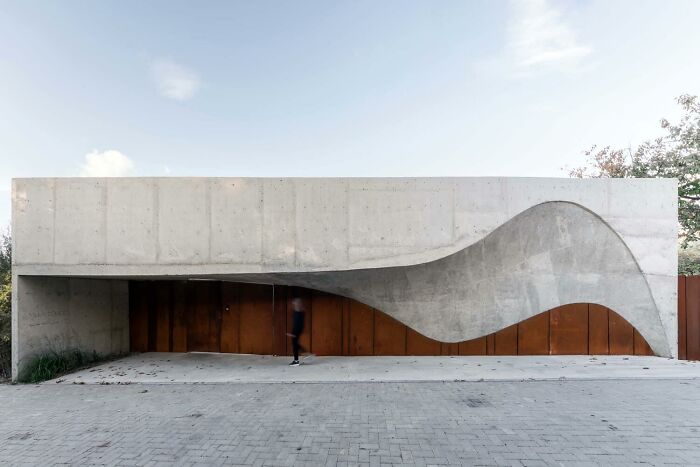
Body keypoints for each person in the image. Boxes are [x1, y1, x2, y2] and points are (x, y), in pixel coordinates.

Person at [288, 296, 306, 366]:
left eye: (295, 301)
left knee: (295, 344)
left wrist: (293, 333)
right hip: (298, 329)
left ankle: (296, 361)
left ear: (298, 303)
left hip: (297, 329)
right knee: (295, 343)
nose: (293, 303)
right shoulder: (300, 311)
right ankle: (306, 353)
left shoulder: (298, 312)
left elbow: (297, 323)